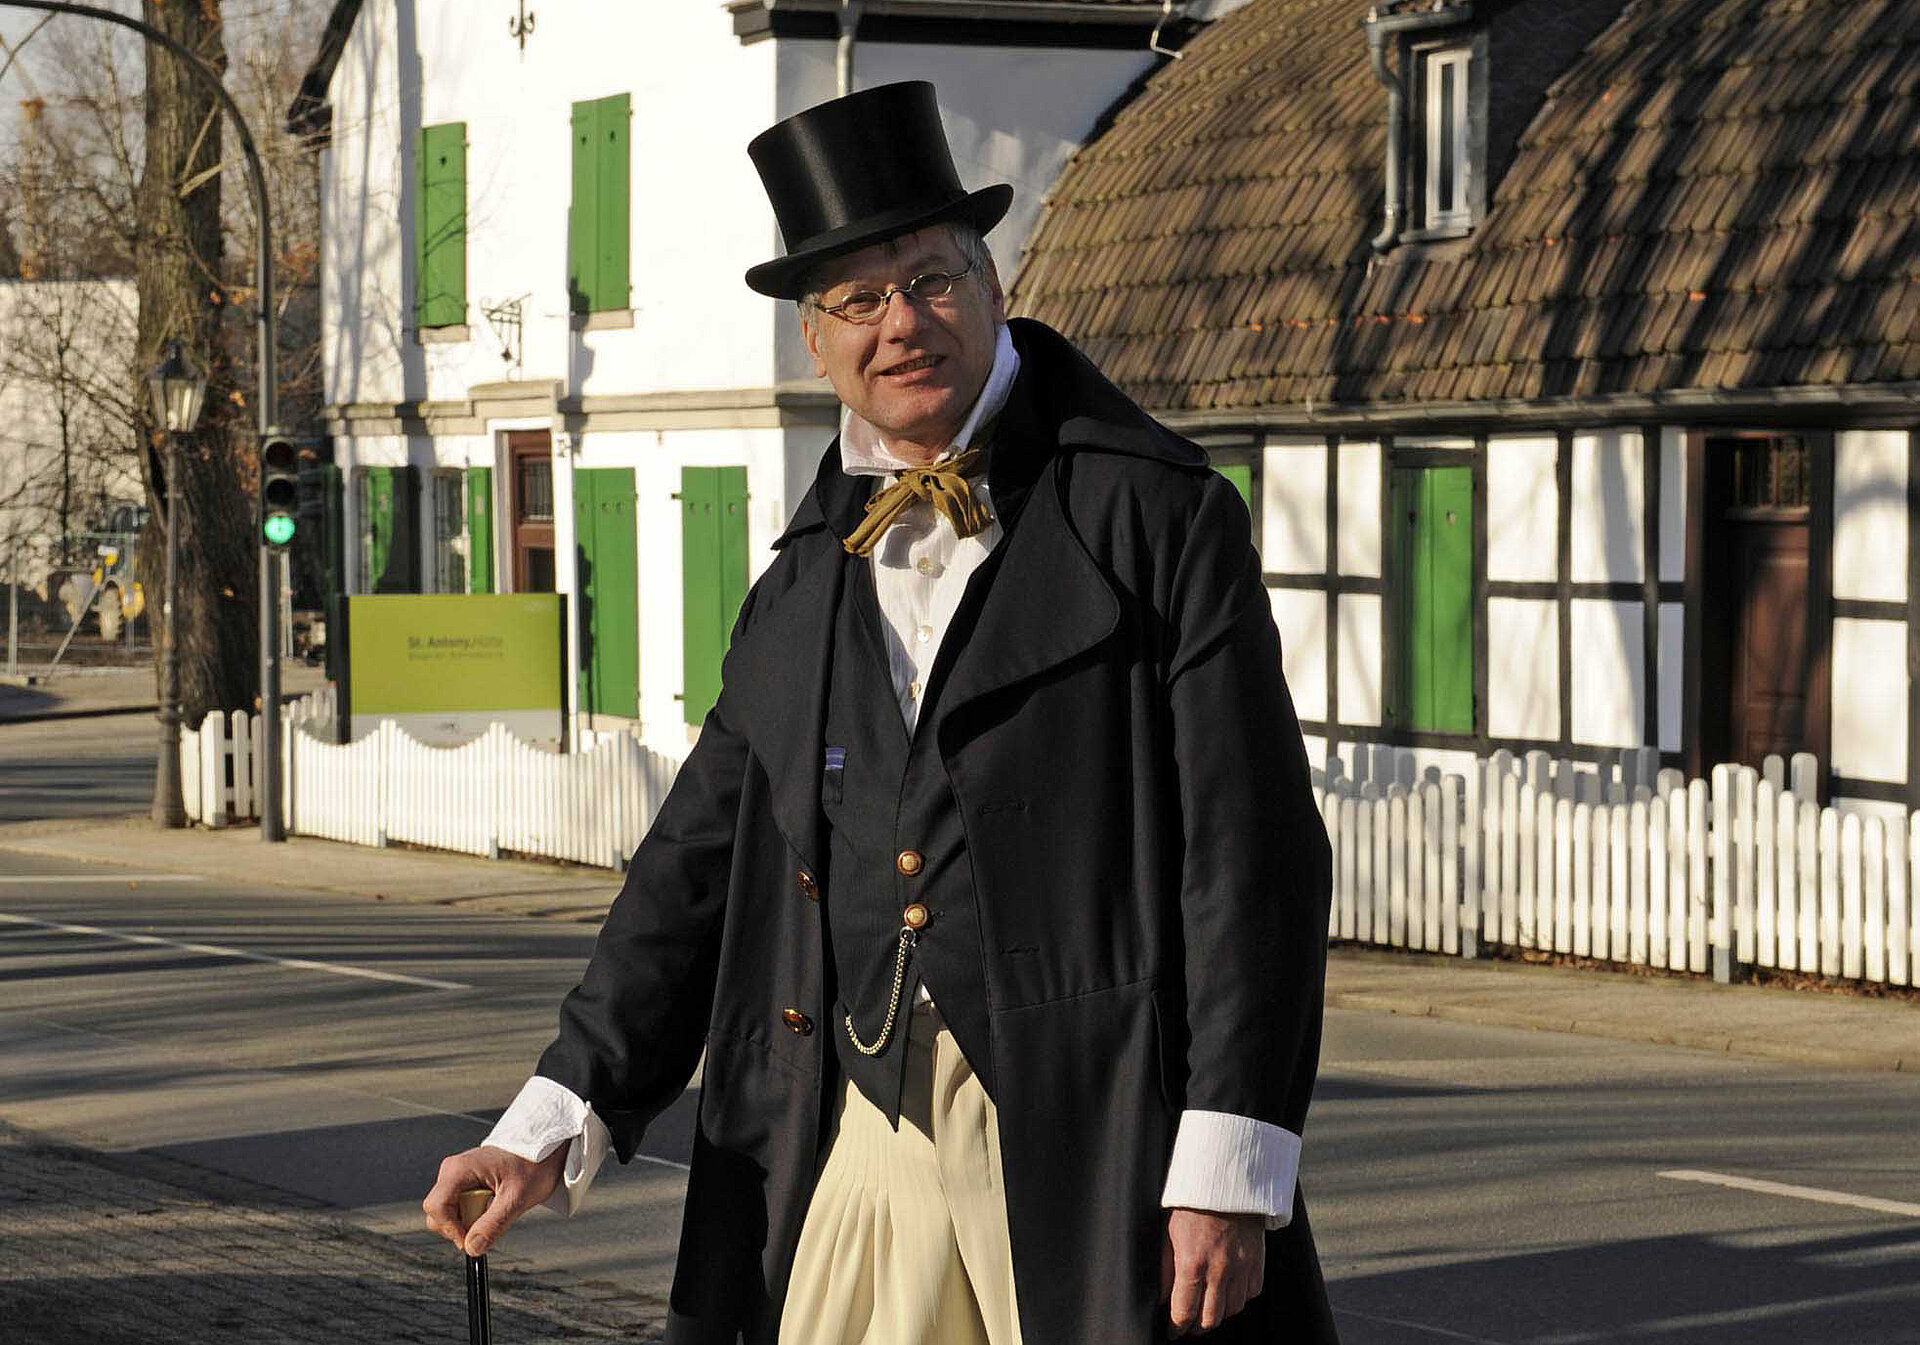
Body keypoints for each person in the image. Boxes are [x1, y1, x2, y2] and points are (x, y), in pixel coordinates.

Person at [424, 80, 1338, 1345]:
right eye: (857, 299)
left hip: (1100, 1138)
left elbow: (1253, 862)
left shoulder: (1159, 521)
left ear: (992, 279)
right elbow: (691, 868)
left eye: (931, 277)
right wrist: (550, 1121)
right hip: (859, 1128)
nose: (900, 322)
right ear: (816, 339)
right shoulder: (803, 579)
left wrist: (1232, 1160)